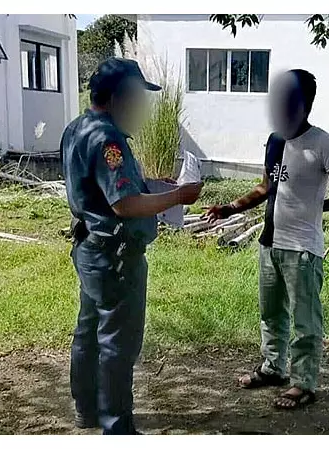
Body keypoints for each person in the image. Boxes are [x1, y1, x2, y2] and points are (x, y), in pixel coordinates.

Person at [61, 57, 203, 434]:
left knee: (89, 331)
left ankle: (87, 410)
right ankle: (117, 427)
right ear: (118, 97)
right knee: (117, 343)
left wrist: (153, 186)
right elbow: (124, 204)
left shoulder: (78, 128)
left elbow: (104, 188)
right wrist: (179, 196)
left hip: (91, 249)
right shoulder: (108, 138)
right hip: (116, 257)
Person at [204, 69, 329, 410]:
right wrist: (229, 208)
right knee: (271, 314)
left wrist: (319, 207)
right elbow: (266, 187)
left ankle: (304, 383)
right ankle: (274, 368)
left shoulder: (323, 144)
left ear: (304, 104)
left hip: (302, 250)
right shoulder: (275, 140)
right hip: (270, 244)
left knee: (305, 321)